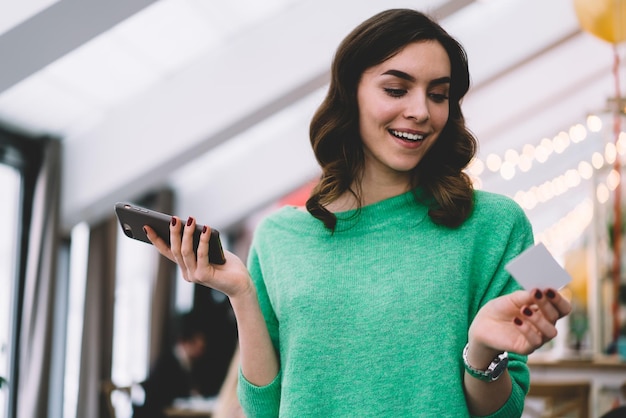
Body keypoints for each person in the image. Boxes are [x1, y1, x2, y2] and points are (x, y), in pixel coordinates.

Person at [144, 8, 572, 417]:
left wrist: (480, 352)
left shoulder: (497, 224)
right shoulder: (279, 236)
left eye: (438, 94)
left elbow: (503, 412)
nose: (421, 111)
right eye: (396, 89)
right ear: (351, 94)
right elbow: (264, 408)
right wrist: (241, 294)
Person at [132, 311, 208, 418]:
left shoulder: (188, 363)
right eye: (198, 346)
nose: (201, 351)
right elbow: (163, 398)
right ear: (185, 342)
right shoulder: (167, 363)